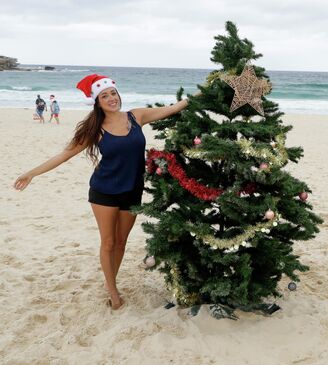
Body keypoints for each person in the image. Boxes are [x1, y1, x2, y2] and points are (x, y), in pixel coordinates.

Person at [14, 74, 193, 310]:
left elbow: (174, 108)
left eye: (113, 93)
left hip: (133, 190)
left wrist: (206, 90)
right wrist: (31, 173)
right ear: (97, 102)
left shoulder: (136, 116)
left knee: (121, 242)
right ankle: (112, 290)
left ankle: (111, 281)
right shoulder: (95, 129)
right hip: (104, 191)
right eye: (104, 96)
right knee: (108, 243)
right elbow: (64, 154)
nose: (111, 98)